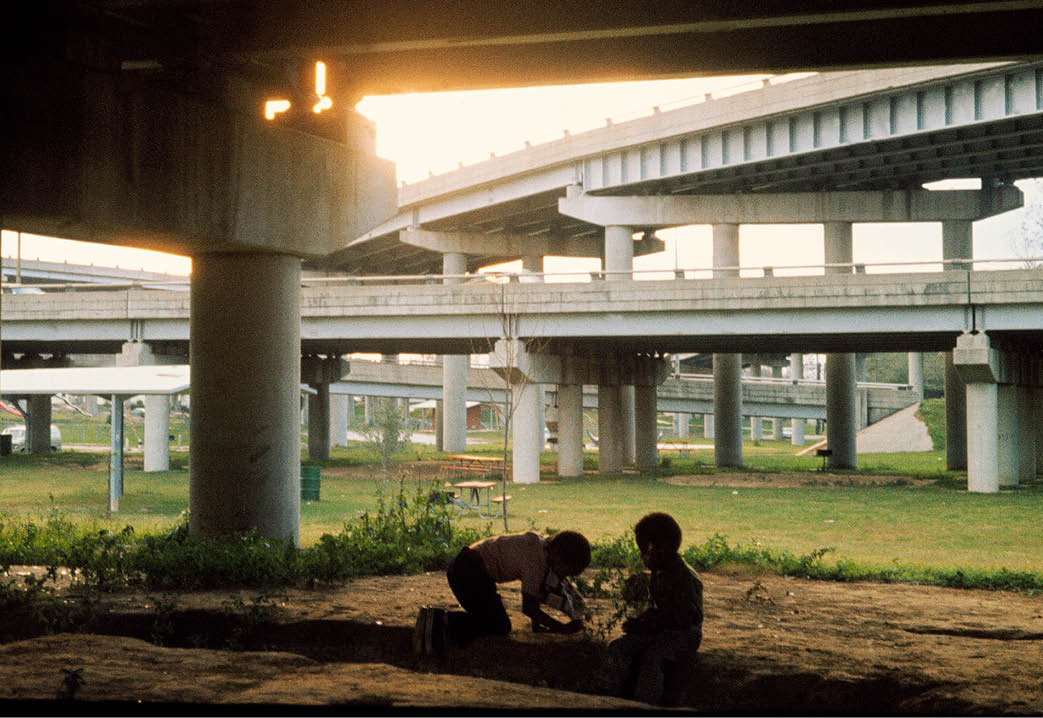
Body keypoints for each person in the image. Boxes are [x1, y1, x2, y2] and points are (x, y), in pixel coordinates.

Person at [412, 529, 590, 655]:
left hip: (467, 567)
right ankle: (439, 620)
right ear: (560, 558)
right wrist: (562, 629)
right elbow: (529, 608)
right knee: (498, 626)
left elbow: (534, 595)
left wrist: (540, 625)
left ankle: (439, 622)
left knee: (492, 619)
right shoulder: (536, 561)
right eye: (567, 571)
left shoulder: (541, 545)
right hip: (468, 571)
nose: (564, 576)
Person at [598, 512, 703, 705]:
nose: (642, 556)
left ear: (660, 548)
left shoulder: (682, 576)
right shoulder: (661, 570)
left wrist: (647, 626)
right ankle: (607, 698)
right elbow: (662, 609)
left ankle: (644, 703)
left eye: (644, 550)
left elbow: (684, 619)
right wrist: (644, 621)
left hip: (685, 633)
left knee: (653, 658)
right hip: (665, 629)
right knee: (617, 647)